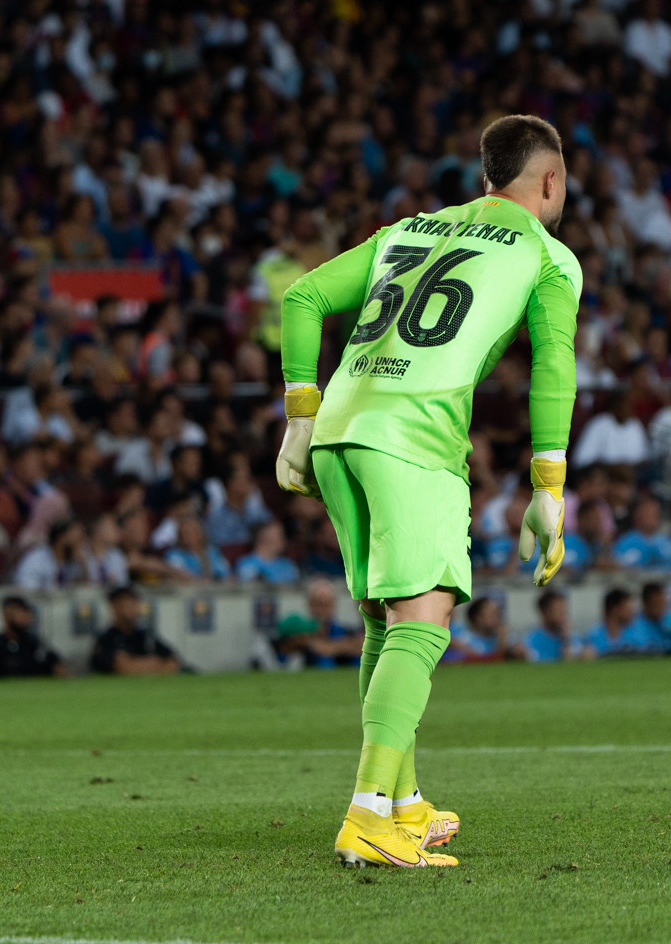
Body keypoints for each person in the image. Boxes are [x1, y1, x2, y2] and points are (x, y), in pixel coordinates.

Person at [276, 114, 579, 867]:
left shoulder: (409, 227)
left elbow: (302, 298)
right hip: (413, 438)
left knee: (386, 620)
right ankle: (368, 814)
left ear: (485, 179)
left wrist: (300, 417)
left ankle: (404, 803)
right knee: (424, 620)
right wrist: (548, 485)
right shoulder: (548, 254)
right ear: (550, 181)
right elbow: (554, 367)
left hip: (341, 431)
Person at [90, 585, 182, 675]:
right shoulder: (107, 638)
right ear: (114, 607)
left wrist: (135, 664)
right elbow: (121, 667)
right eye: (125, 604)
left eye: (133, 603)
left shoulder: (145, 636)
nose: (131, 608)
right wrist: (153, 663)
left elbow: (172, 663)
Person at [0, 596, 67, 678]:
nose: (26, 618)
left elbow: (59, 668)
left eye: (27, 613)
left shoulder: (34, 643)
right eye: (20, 613)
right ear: (6, 615)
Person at [613, 495, 671, 570]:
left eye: (655, 512)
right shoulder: (625, 542)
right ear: (636, 515)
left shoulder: (670, 541)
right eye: (648, 512)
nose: (653, 516)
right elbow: (618, 568)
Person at [14, 516, 97, 589]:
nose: (81, 545)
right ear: (61, 538)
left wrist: (83, 566)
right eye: (77, 539)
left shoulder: (76, 561)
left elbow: (90, 590)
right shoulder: (36, 559)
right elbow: (26, 590)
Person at [621, 582, 671, 655]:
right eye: (656, 603)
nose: (661, 607)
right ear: (646, 603)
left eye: (663, 602)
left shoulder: (669, 618)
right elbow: (631, 647)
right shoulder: (634, 621)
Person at [300, 578, 364, 668]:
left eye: (326, 605)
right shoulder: (302, 631)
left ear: (334, 605)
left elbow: (361, 645)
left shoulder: (344, 631)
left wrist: (326, 647)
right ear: (309, 604)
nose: (322, 610)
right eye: (318, 604)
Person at [518, 589, 583, 663]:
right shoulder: (531, 640)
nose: (563, 615)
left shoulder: (572, 637)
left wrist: (566, 640)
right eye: (558, 610)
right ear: (545, 612)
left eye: (564, 610)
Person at [445, 597, 510, 663]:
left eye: (498, 613)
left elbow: (495, 660)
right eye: (491, 614)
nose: (497, 617)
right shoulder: (457, 629)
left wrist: (502, 640)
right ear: (477, 617)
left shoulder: (495, 642)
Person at [234, 522, 301, 585]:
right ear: (265, 538)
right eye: (280, 536)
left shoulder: (289, 565)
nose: (284, 540)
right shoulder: (246, 565)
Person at [581, 586, 638, 657]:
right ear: (614, 609)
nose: (632, 612)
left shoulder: (635, 636)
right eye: (628, 608)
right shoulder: (592, 637)